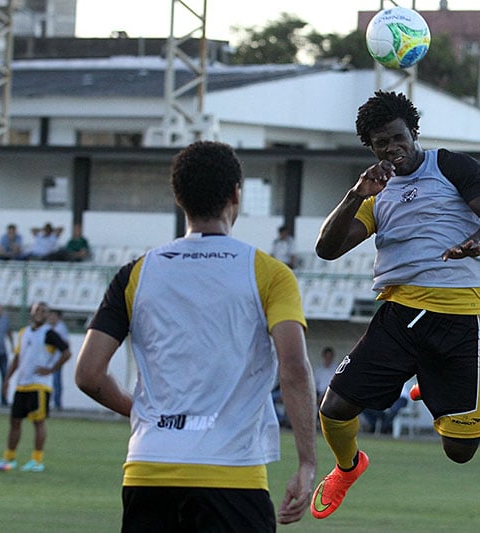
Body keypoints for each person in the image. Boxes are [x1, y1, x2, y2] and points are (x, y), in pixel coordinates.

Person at [74, 140, 317, 531]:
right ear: (236, 194)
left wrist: (136, 410)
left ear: (179, 197)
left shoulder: (136, 274)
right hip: (231, 473)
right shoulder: (269, 273)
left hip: (148, 470)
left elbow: (87, 374)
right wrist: (307, 463)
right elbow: (293, 366)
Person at [310, 90, 480, 519]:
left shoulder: (451, 166)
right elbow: (327, 249)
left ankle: (430, 380)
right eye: (381, 143)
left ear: (413, 132)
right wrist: (354, 195)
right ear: (371, 147)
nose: (392, 148)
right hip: (401, 314)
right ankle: (347, 468)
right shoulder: (375, 192)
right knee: (333, 409)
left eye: (398, 138)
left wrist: (477, 242)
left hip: (464, 319)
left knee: (460, 451)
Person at [0, 301, 71, 473]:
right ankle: (9, 458)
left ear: (48, 315)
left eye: (44, 311)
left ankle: (37, 460)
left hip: (39, 385)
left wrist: (51, 369)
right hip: (22, 384)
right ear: (31, 311)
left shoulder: (49, 333)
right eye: (37, 310)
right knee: (14, 421)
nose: (40, 313)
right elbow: (17, 357)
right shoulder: (24, 333)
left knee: (38, 422)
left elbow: (67, 352)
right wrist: (7, 379)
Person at [47, 309, 69, 410]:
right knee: (51, 382)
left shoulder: (61, 328)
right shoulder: (49, 328)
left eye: (53, 316)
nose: (51, 318)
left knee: (56, 381)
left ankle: (57, 403)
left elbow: (64, 345)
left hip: (57, 359)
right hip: (49, 360)